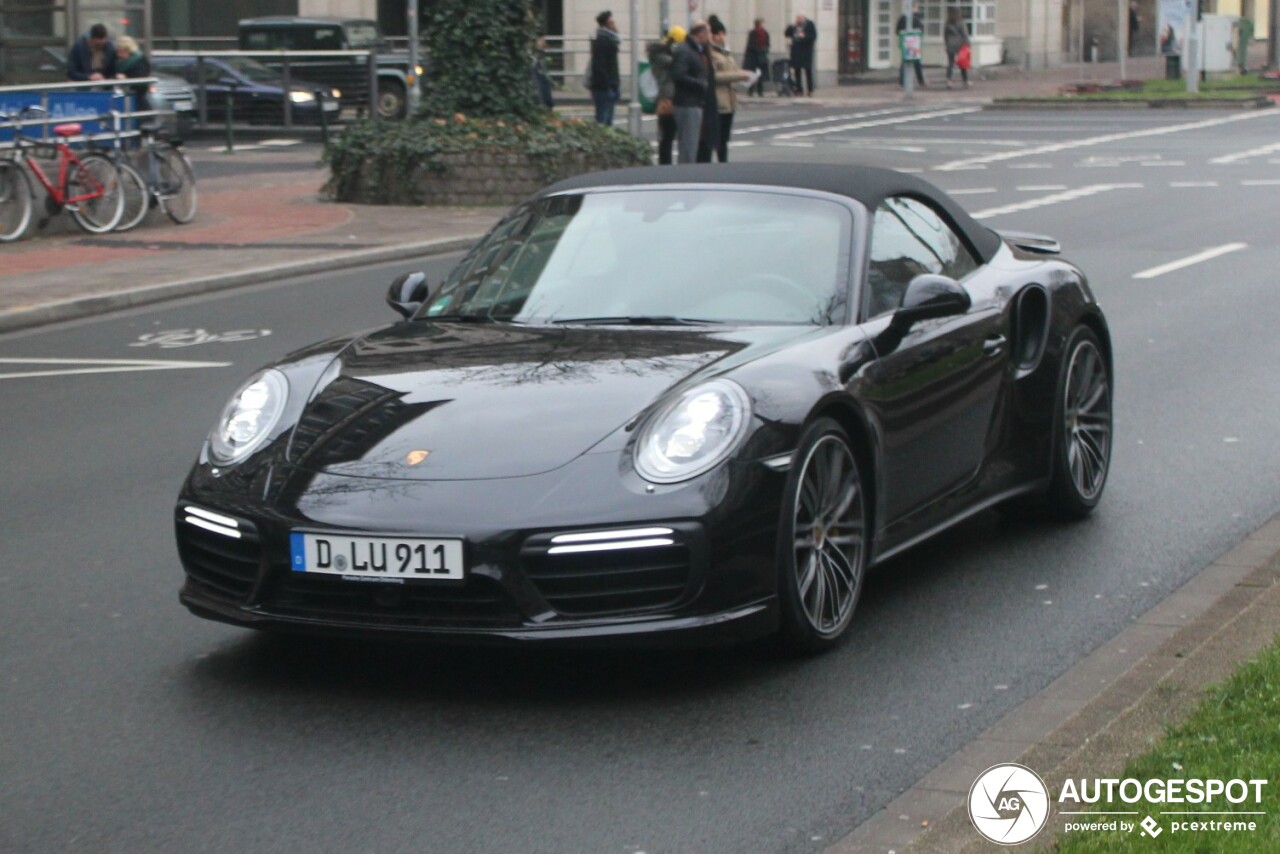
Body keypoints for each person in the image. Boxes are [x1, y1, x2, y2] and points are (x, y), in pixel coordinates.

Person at [708, 16, 752, 163]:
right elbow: (714, 76)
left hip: (730, 101)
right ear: (713, 36)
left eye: (723, 34)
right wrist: (737, 75)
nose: (723, 37)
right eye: (720, 34)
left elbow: (733, 71)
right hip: (719, 100)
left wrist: (743, 76)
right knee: (718, 138)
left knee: (725, 138)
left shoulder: (725, 53)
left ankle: (723, 162)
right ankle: (720, 163)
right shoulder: (711, 54)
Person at [671, 20, 715, 164]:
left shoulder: (697, 50)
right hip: (687, 103)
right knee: (688, 145)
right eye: (708, 32)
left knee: (692, 143)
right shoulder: (685, 50)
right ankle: (685, 177)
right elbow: (678, 74)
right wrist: (699, 84)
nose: (709, 36)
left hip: (695, 101)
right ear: (701, 33)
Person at [646, 26, 685, 165]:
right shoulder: (662, 57)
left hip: (670, 97)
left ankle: (665, 162)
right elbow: (676, 63)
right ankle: (665, 163)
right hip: (666, 99)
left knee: (668, 135)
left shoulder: (663, 54)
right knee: (666, 136)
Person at [588, 11, 621, 125]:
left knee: (607, 119)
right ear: (606, 24)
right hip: (604, 87)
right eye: (612, 22)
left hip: (610, 84)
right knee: (603, 120)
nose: (614, 24)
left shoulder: (609, 38)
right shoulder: (602, 40)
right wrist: (607, 86)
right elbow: (600, 66)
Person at [784, 13, 817, 96]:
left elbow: (813, 36)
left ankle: (810, 90)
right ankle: (799, 90)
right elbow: (786, 33)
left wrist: (803, 37)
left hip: (806, 51)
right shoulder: (794, 26)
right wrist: (791, 25)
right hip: (796, 51)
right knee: (797, 71)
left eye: (800, 18)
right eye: (797, 18)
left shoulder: (809, 24)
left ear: (804, 18)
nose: (798, 20)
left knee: (808, 71)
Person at [113, 35, 151, 104]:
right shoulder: (117, 62)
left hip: (137, 99)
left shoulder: (140, 61)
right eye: (118, 52)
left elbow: (142, 81)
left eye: (121, 52)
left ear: (129, 51)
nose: (119, 55)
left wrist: (126, 79)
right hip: (120, 97)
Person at [895, 10, 926, 87]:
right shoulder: (917, 19)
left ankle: (902, 81)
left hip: (905, 42)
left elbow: (897, 30)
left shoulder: (903, 18)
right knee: (917, 61)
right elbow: (921, 31)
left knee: (904, 61)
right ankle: (921, 81)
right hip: (914, 43)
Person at [742, 18, 770, 97]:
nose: (764, 25)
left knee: (760, 75)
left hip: (762, 57)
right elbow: (750, 45)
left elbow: (768, 44)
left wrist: (764, 49)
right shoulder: (752, 33)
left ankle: (760, 91)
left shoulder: (765, 33)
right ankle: (751, 91)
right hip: (753, 57)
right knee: (752, 75)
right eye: (763, 23)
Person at [943, 9, 969, 89]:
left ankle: (949, 81)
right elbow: (965, 34)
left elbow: (945, 35)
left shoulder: (947, 24)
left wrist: (946, 44)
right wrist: (968, 44)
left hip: (950, 45)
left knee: (950, 63)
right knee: (962, 63)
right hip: (960, 45)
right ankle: (965, 81)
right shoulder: (961, 23)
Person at [532, 36, 555, 108]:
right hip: (538, 77)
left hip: (541, 77)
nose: (544, 43)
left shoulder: (541, 55)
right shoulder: (537, 55)